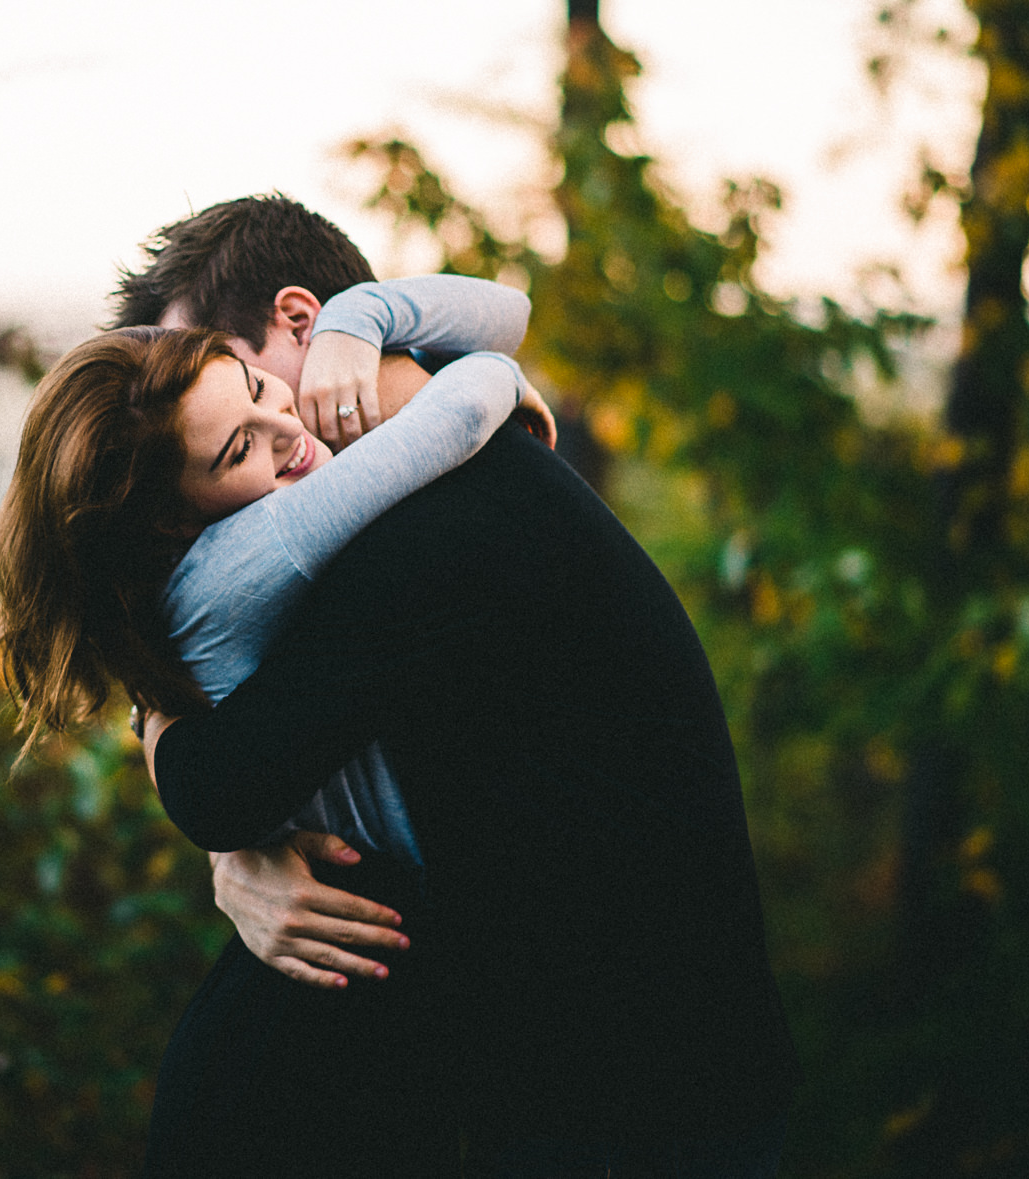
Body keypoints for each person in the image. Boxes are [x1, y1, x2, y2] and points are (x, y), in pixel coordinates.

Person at [130, 197, 799, 1173]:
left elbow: (215, 777)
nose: (240, 442)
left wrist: (219, 824)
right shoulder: (442, 474)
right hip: (604, 1077)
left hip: (643, 1107)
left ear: (301, 326)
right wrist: (239, 865)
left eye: (228, 384)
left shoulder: (431, 529)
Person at [0, 238, 544, 1170]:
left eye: (252, 386)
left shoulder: (188, 565)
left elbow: (505, 307)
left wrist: (354, 324)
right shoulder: (263, 541)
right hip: (292, 1069)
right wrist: (455, 377)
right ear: (172, 512)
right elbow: (472, 395)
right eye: (240, 445)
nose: (288, 430)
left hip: (336, 1012)